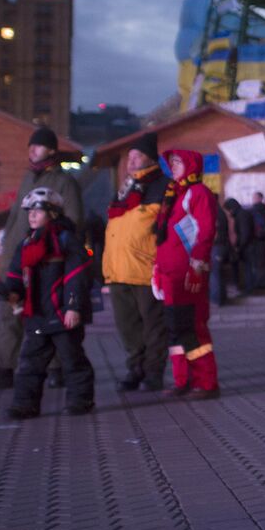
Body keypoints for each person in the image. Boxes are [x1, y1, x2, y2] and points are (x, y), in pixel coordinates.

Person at [0, 127, 83, 391]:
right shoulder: (28, 178)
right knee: (11, 312)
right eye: (31, 145)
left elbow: (74, 222)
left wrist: (60, 255)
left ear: (52, 150)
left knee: (47, 314)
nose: (32, 149)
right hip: (18, 261)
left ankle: (56, 369)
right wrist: (8, 244)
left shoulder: (64, 182)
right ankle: (5, 368)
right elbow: (14, 218)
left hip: (47, 263)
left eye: (39, 146)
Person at [1, 187, 95, 419]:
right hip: (38, 313)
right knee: (30, 364)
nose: (32, 215)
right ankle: (25, 405)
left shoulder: (66, 239)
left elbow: (78, 275)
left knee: (72, 360)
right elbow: (15, 272)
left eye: (38, 210)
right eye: (30, 210)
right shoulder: (26, 243)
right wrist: (14, 293)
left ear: (52, 213)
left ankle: (80, 401)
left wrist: (73, 306)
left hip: (62, 313)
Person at [103, 132, 170, 392]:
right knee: (127, 327)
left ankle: (153, 372)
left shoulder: (163, 186)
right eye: (129, 156)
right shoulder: (125, 189)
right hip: (119, 271)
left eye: (136, 156)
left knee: (153, 326)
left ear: (150, 159)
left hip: (146, 270)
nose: (130, 162)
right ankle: (135, 368)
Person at [153, 149, 220, 398]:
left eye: (178, 161)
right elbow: (164, 238)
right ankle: (183, 380)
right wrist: (157, 269)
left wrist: (198, 265)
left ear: (191, 165)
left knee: (193, 327)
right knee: (175, 329)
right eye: (171, 162)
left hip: (188, 275)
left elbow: (205, 232)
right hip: (171, 275)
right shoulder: (173, 194)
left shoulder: (198, 193)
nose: (173, 165)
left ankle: (206, 383)